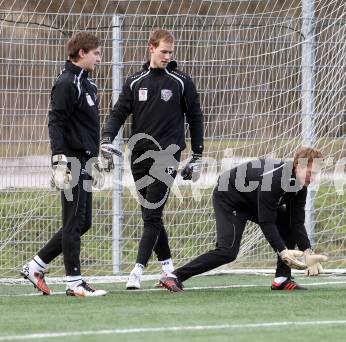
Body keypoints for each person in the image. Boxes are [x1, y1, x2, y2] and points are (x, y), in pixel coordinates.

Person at [100, 29, 204, 290]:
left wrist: (197, 154)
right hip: (139, 156)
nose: (168, 56)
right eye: (163, 51)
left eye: (171, 52)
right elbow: (118, 113)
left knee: (153, 214)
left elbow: (196, 118)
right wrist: (106, 139)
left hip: (167, 155)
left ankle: (136, 271)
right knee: (150, 215)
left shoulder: (181, 81)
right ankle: (169, 270)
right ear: (151, 49)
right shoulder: (135, 82)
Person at [159, 147, 328, 292]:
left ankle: (282, 280)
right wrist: (283, 252)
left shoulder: (300, 187)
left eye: (315, 174)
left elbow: (296, 222)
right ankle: (173, 276)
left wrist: (308, 252)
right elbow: (266, 222)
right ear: (298, 165)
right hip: (230, 197)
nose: (312, 179)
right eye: (310, 173)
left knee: (287, 224)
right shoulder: (276, 179)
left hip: (253, 200)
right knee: (228, 252)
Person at [21, 32, 107, 296]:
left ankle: (36, 266)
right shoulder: (67, 82)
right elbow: (56, 122)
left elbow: (86, 127)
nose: (99, 58)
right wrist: (59, 160)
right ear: (82, 53)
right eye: (96, 53)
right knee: (73, 222)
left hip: (86, 160)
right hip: (71, 161)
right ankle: (74, 282)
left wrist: (98, 154)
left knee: (83, 222)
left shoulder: (88, 84)